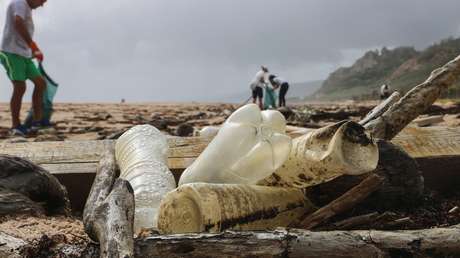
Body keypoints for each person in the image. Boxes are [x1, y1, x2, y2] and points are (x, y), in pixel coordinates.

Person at [0, 0, 48, 136]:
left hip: (24, 54)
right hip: (11, 51)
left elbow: (23, 29)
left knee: (41, 83)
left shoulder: (26, 7)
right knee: (20, 87)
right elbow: (18, 22)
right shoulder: (19, 3)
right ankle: (16, 125)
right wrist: (33, 46)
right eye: (42, 0)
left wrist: (32, 50)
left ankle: (36, 122)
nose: (42, 5)